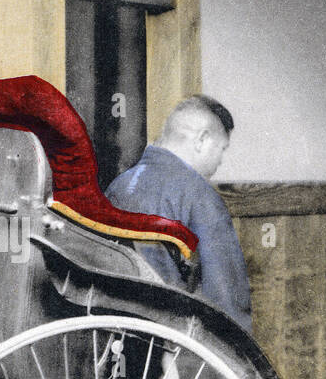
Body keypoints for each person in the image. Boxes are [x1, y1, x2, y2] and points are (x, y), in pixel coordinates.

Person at [106, 94, 252, 333]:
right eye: (221, 149)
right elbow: (226, 298)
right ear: (202, 139)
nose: (221, 161)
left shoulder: (118, 186)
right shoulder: (199, 195)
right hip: (176, 347)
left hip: (115, 339)